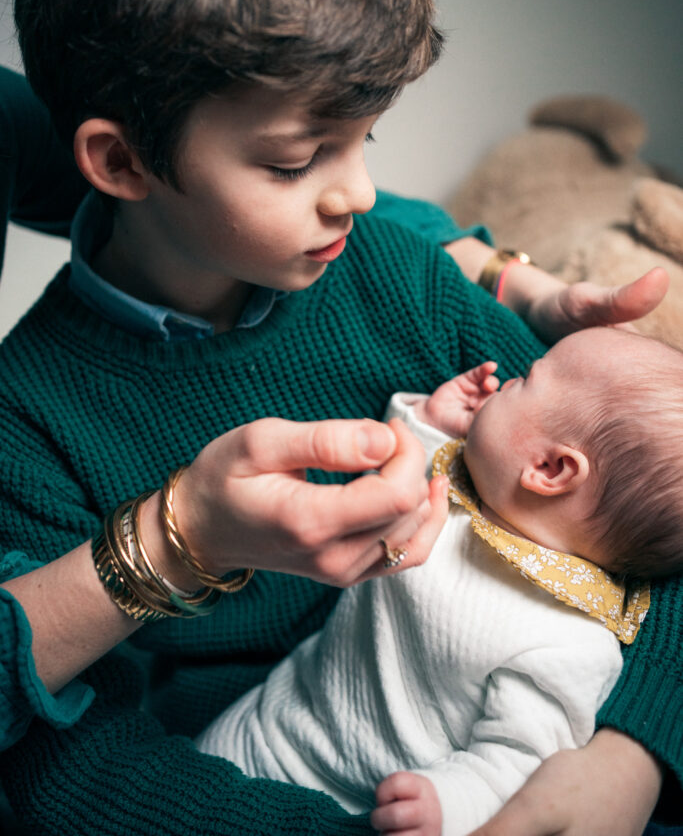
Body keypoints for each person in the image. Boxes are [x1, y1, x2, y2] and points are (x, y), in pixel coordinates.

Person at [0, 0, 677, 835]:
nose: (358, 194)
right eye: (292, 160)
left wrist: (634, 754)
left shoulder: (398, 277)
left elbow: (644, 488)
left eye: (367, 139)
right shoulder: (33, 419)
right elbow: (65, 763)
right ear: (123, 162)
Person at [196, 327, 683, 836]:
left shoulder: (571, 643)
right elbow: (391, 488)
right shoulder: (459, 497)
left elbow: (520, 762)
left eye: (525, 379)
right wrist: (427, 422)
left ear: (549, 467)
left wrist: (448, 804)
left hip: (360, 803)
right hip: (268, 722)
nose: (507, 378)